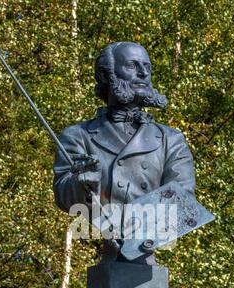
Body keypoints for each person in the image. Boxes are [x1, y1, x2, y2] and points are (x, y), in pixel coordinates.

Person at [53, 42, 195, 263]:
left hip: (144, 255)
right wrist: (79, 184)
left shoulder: (170, 139)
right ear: (105, 75)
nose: (143, 73)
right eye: (132, 65)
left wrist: (134, 233)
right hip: (109, 254)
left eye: (147, 67)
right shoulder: (77, 136)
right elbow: (64, 196)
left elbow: (183, 200)